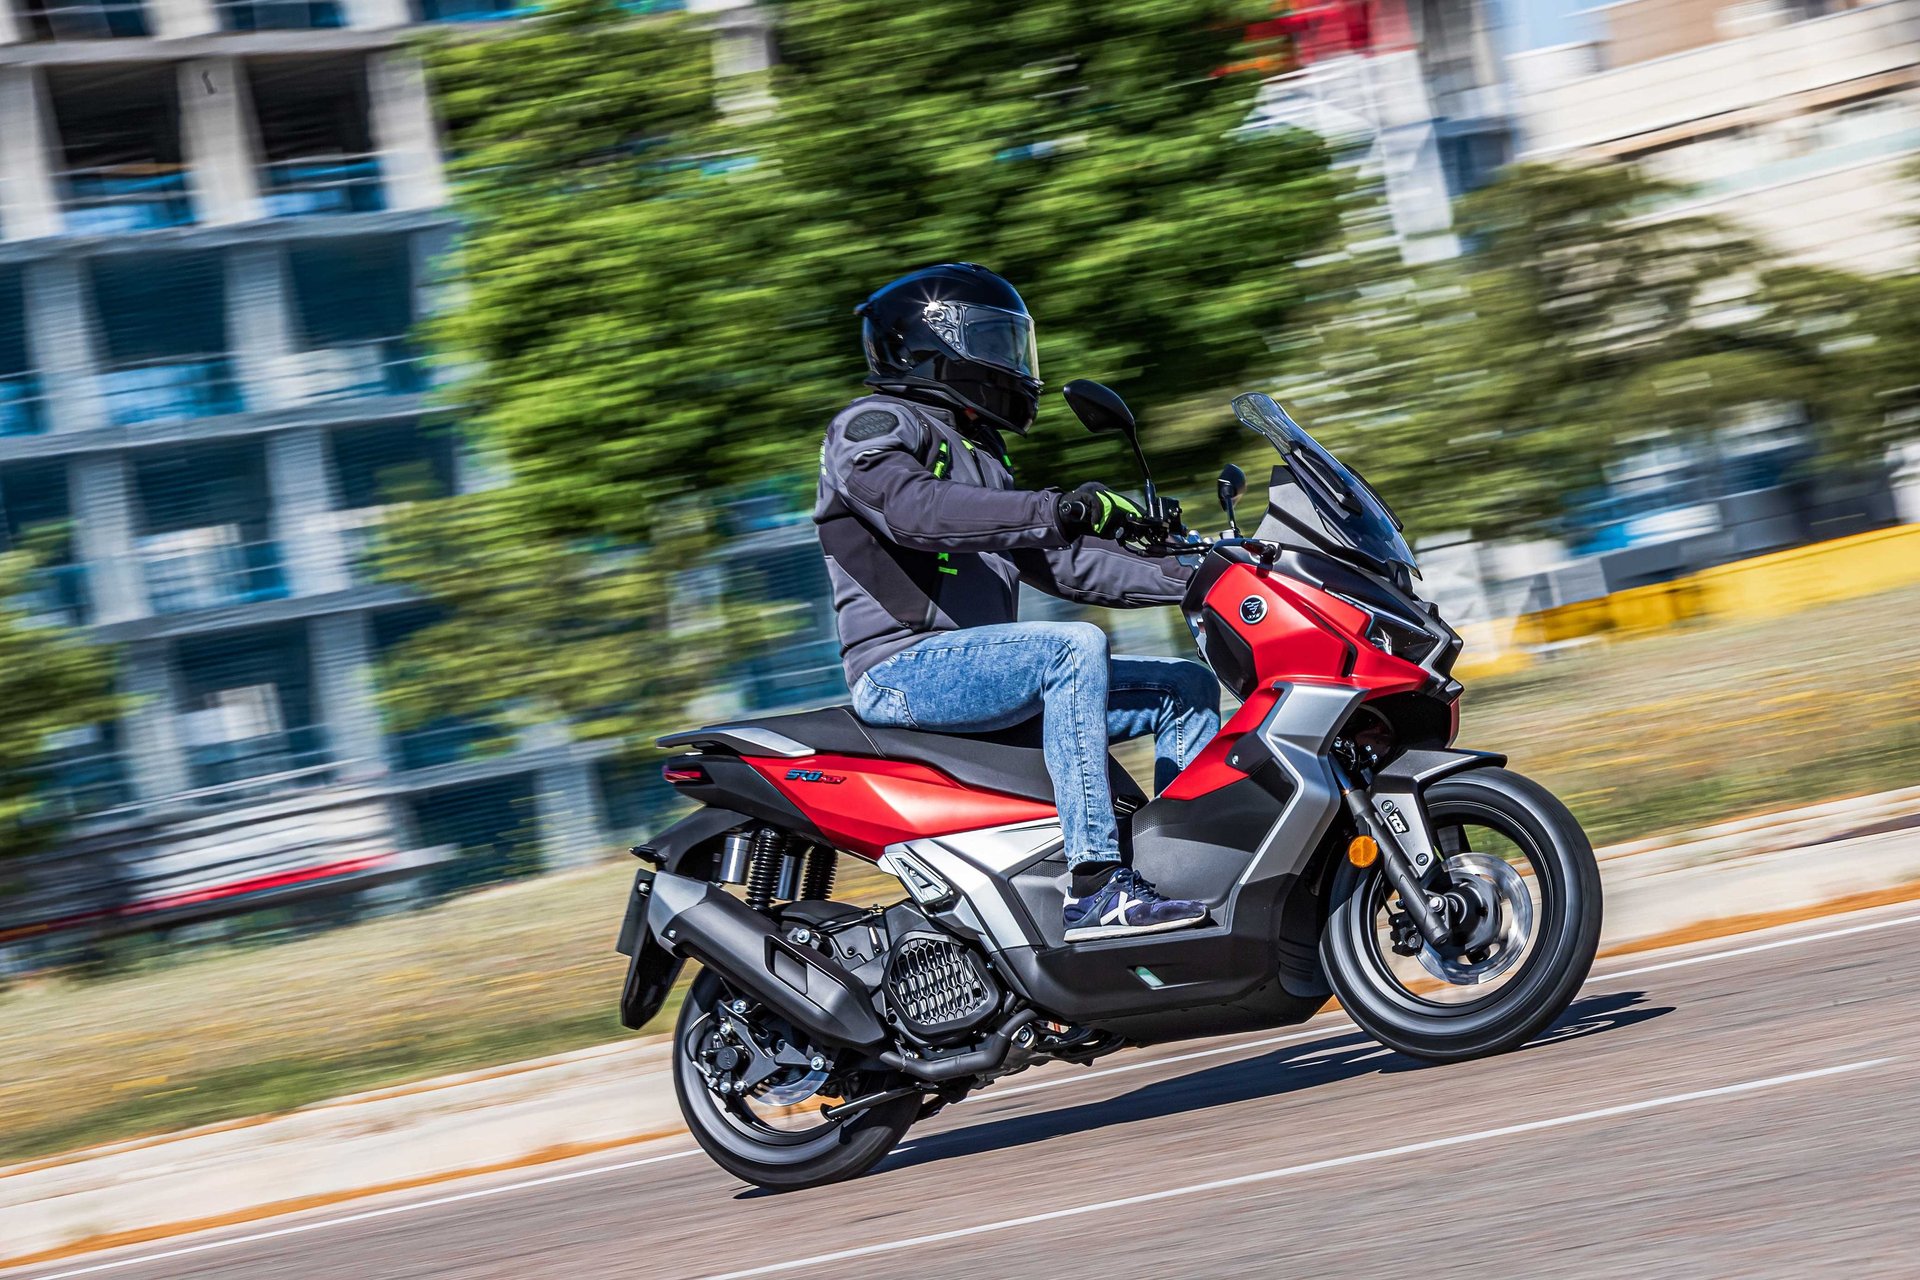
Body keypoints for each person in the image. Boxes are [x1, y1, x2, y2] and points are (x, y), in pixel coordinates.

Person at [814, 263, 1220, 940]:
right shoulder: (872, 425)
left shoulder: (982, 455)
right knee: (1070, 647)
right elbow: (916, 510)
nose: (1013, 362)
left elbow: (1063, 562)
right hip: (903, 672)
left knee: (1184, 686)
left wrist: (1202, 577)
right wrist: (1055, 506)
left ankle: (1176, 861)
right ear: (929, 346)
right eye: (992, 342)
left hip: (976, 675)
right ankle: (1094, 886)